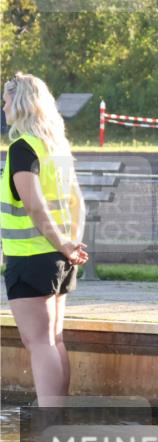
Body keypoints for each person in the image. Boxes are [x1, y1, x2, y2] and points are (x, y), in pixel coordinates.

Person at [1, 73, 88, 406]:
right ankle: (57, 416)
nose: (3, 106)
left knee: (38, 342)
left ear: (20, 103)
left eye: (6, 100)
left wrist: (64, 246)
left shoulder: (23, 148)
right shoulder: (56, 146)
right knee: (53, 339)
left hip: (32, 256)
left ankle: (48, 422)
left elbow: (34, 206)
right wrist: (71, 246)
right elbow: (77, 201)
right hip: (59, 257)